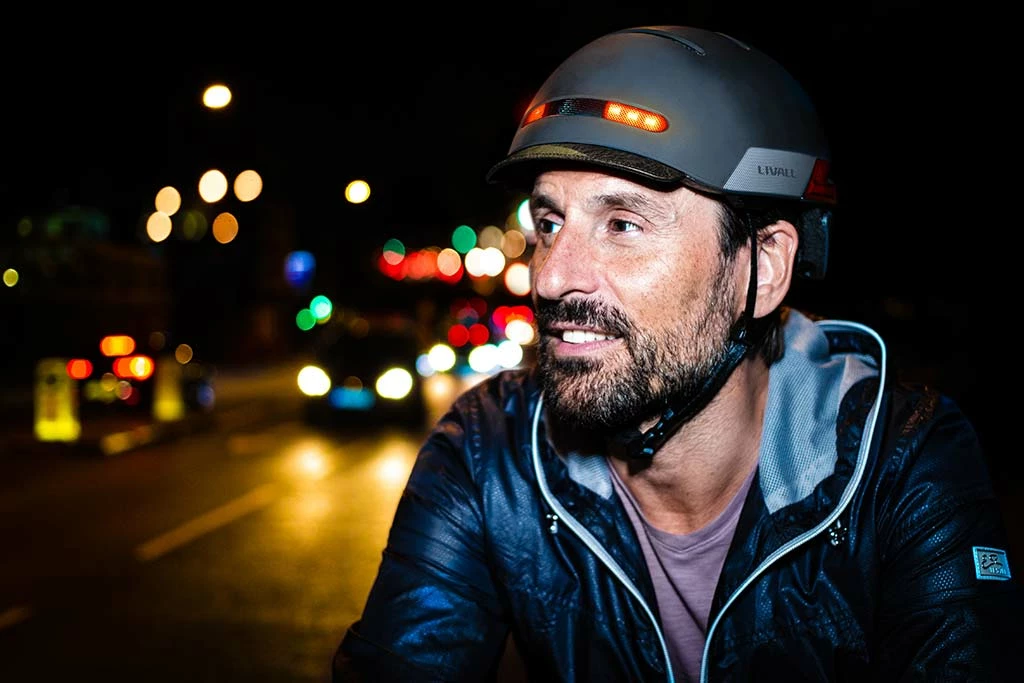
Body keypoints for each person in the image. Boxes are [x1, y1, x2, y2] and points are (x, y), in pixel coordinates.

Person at [332, 25, 1021, 682]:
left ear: (763, 267)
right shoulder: (489, 452)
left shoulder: (901, 465)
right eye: (549, 221)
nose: (550, 276)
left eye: (622, 223)